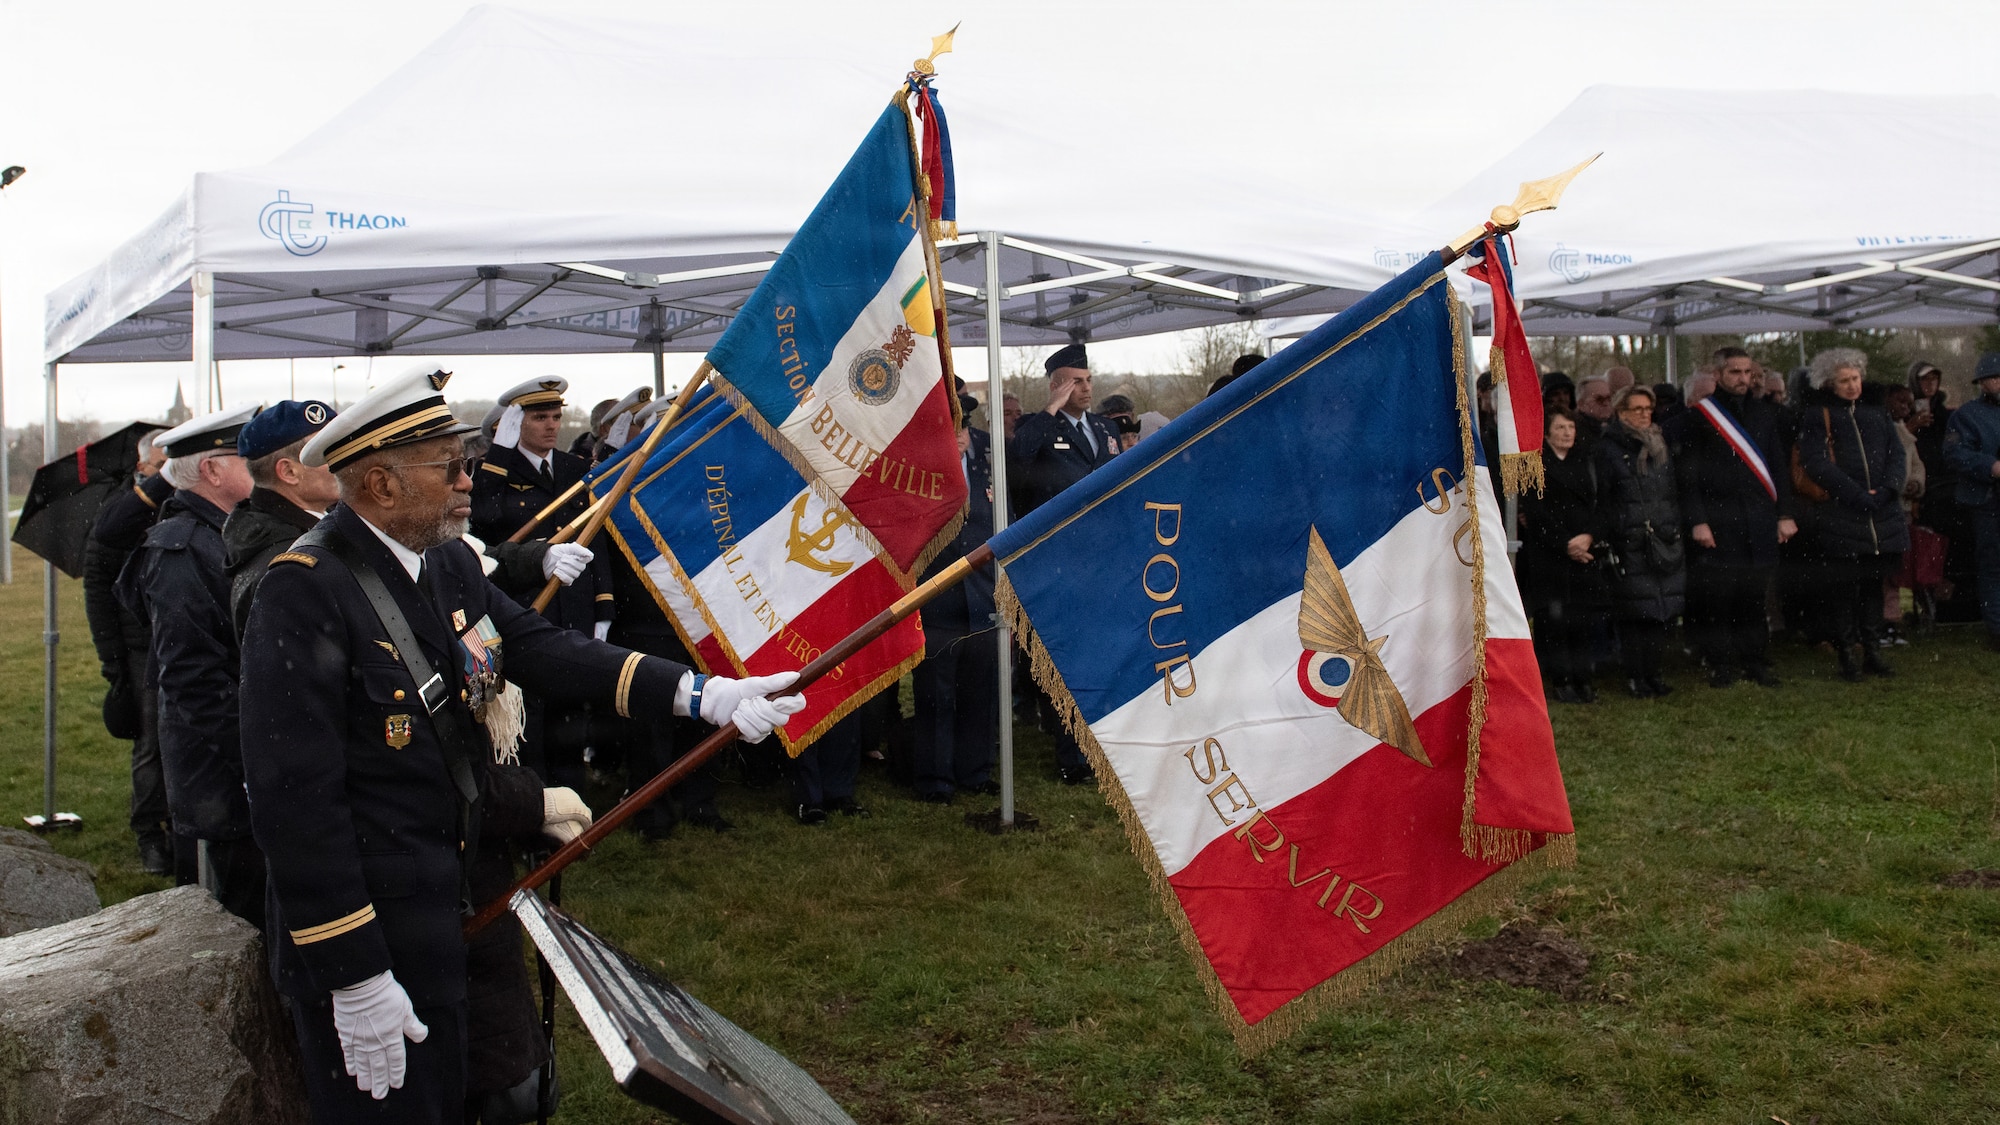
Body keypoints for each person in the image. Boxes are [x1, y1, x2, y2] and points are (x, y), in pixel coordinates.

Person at [240, 366, 805, 1121]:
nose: (468, 478)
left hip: (462, 902)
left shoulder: (442, 557)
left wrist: (702, 693)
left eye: (466, 457)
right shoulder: (305, 588)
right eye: (449, 465)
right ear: (378, 485)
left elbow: (535, 644)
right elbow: (294, 802)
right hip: (378, 934)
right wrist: (354, 973)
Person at [118, 404, 265, 923]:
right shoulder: (180, 547)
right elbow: (195, 684)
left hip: (234, 769)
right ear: (212, 470)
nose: (259, 465)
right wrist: (259, 760)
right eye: (244, 456)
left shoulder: (222, 531)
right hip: (220, 778)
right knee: (228, 924)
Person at [470, 377, 615, 785]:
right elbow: (483, 523)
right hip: (525, 602)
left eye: (556, 416)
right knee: (529, 709)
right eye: (539, 418)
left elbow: (594, 538)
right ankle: (535, 802)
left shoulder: (573, 469)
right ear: (515, 423)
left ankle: (572, 797)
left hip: (573, 603)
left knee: (571, 705)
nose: (551, 426)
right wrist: (499, 454)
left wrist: (602, 605)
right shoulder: (494, 472)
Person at [1008, 344, 1118, 783]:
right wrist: (1050, 409)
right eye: (1077, 380)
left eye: (1089, 379)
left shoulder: (1105, 427)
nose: (1087, 387)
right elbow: (1019, 457)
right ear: (1057, 384)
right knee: (1067, 660)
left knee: (1102, 656)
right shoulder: (1039, 428)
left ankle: (1102, 745)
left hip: (1104, 559)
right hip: (1061, 562)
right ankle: (1071, 755)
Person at [83, 427, 174, 876]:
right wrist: (113, 664)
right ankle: (150, 832)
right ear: (142, 469)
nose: (168, 477)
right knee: (152, 743)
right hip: (140, 650)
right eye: (160, 468)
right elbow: (98, 599)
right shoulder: (117, 519)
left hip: (175, 640)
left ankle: (180, 824)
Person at [1677, 346, 1796, 687]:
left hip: (1758, 519)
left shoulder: (1763, 413)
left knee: (1753, 598)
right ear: (1717, 375)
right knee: (1719, 598)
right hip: (1718, 522)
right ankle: (1720, 663)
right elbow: (1688, 475)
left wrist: (1784, 513)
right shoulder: (1700, 417)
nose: (1743, 379)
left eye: (1748, 373)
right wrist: (1698, 520)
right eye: (1735, 373)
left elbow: (1777, 466)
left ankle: (1754, 660)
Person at [1796, 349, 1908, 679]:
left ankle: (1872, 651)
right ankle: (1847, 653)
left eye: (1855, 378)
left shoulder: (1877, 413)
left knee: (1874, 585)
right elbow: (1815, 462)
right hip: (1843, 514)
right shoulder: (1819, 415)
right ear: (1830, 384)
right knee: (1844, 589)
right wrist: (1855, 494)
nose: (1851, 386)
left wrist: (1889, 489)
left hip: (1881, 514)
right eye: (1844, 381)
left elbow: (1896, 455)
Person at [911, 401, 999, 801]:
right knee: (936, 696)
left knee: (979, 694)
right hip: (937, 603)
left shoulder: (986, 473)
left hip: (981, 601)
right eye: (953, 425)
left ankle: (974, 771)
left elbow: (1003, 532)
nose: (961, 433)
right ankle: (935, 778)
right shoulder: (917, 478)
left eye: (965, 425)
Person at [1594, 387, 1685, 697]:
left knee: (1660, 610)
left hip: (1662, 538)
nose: (1645, 414)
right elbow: (1605, 496)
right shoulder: (1609, 448)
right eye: (1637, 409)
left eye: (1648, 408)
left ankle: (1654, 674)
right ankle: (1636, 676)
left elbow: (1671, 491)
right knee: (1636, 614)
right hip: (1630, 541)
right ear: (1621, 413)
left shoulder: (1661, 444)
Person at [223, 401, 341, 637]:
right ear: (288, 472)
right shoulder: (287, 567)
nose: (342, 461)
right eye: (326, 452)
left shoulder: (304, 534)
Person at [1516, 411, 1606, 702]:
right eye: (1560, 427)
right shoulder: (1535, 465)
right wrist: (1565, 544)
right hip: (1550, 554)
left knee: (1582, 618)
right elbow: (1535, 513)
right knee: (1553, 621)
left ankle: (1584, 678)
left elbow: (1602, 503)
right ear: (1547, 433)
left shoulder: (1588, 460)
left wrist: (1588, 537)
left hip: (1584, 551)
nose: (1567, 432)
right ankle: (1561, 679)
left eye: (1571, 427)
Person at [1944, 352, 2000, 650]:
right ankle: (1997, 628)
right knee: (1992, 563)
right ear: (1982, 383)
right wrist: (1989, 466)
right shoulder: (1966, 415)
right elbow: (1953, 454)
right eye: (1994, 378)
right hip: (1987, 500)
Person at [1573, 376, 1613, 446]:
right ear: (1581, 404)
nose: (1606, 403)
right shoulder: (1573, 433)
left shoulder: (1617, 427)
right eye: (1599, 399)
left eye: (1609, 398)